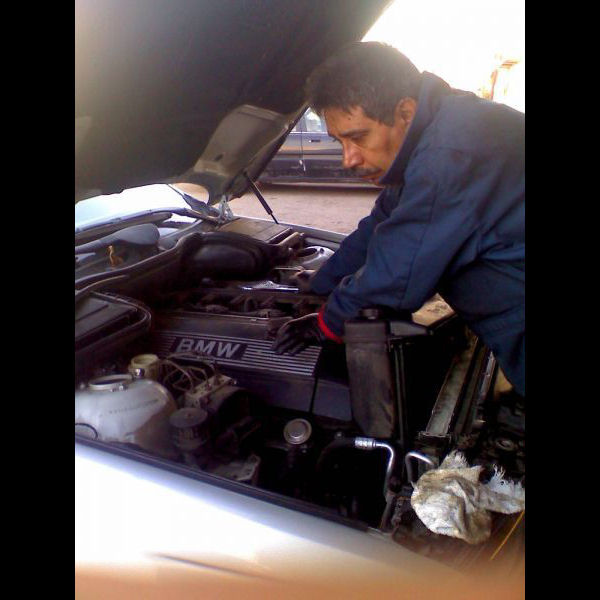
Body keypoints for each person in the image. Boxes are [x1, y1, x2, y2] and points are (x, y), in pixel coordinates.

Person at [272, 42, 525, 397]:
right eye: (340, 141)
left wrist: (327, 323)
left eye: (358, 137)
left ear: (405, 111)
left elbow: (397, 271)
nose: (348, 159)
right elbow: (380, 225)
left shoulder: (450, 152)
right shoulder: (438, 125)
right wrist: (321, 282)